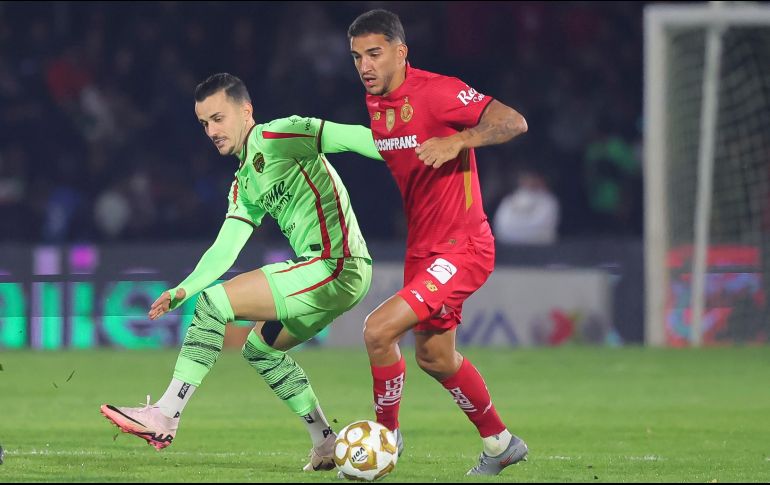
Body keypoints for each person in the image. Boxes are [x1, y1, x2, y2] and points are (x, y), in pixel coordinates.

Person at [100, 73, 381, 472]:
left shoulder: (279, 135)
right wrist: (183, 289)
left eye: (218, 118)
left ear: (245, 111)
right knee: (259, 349)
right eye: (204, 124)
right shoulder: (244, 182)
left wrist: (410, 152)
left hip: (337, 264)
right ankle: (324, 440)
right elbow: (225, 248)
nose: (212, 131)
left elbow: (349, 136)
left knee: (215, 304)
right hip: (329, 273)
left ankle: (165, 414)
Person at [348, 10, 530, 476]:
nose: (365, 66)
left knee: (377, 330)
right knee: (434, 356)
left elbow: (514, 122)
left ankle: (386, 436)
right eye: (356, 57)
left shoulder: (439, 91)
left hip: (463, 245)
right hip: (424, 249)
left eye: (374, 53)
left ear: (400, 52)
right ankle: (500, 443)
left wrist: (459, 141)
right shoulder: (375, 104)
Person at [493, 168, 560, 245]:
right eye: (526, 178)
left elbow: (543, 226)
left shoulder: (549, 201)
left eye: (533, 178)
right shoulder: (508, 201)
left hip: (541, 250)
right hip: (510, 249)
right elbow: (501, 227)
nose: (530, 181)